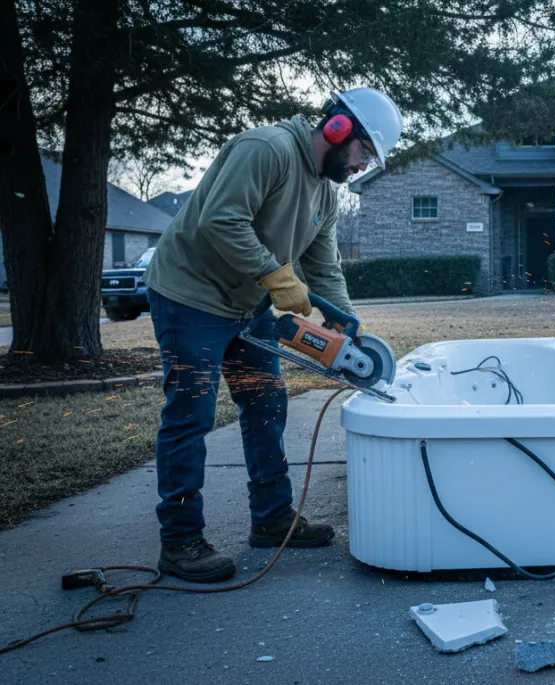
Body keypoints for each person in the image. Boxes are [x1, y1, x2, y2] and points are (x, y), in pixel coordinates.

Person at [142, 88, 403, 582]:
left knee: (266, 406)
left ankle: (273, 518)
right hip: (190, 297)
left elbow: (323, 267)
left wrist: (350, 328)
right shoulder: (266, 150)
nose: (361, 167)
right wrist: (277, 277)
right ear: (338, 129)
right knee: (190, 415)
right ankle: (180, 541)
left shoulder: (325, 191)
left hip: (249, 304)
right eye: (364, 153)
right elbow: (221, 219)